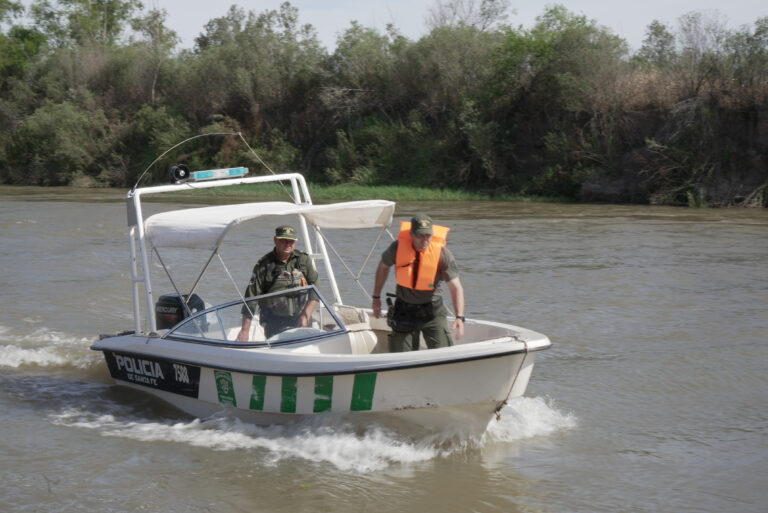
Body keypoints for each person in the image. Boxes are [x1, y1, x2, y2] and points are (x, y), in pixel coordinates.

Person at [371, 214, 465, 352]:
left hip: (432, 311)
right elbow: (383, 266)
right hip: (404, 310)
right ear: (412, 234)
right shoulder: (396, 249)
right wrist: (376, 297)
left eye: (428, 235)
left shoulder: (442, 254)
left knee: (443, 353)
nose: (425, 239)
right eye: (420, 235)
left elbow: (456, 287)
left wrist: (459, 317)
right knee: (400, 357)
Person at [236, 225, 319, 341]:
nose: (287, 244)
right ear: (275, 240)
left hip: (302, 319)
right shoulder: (264, 265)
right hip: (274, 323)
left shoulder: (304, 260)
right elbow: (251, 299)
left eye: (291, 241)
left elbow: (315, 291)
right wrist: (244, 330)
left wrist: (306, 316)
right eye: (283, 241)